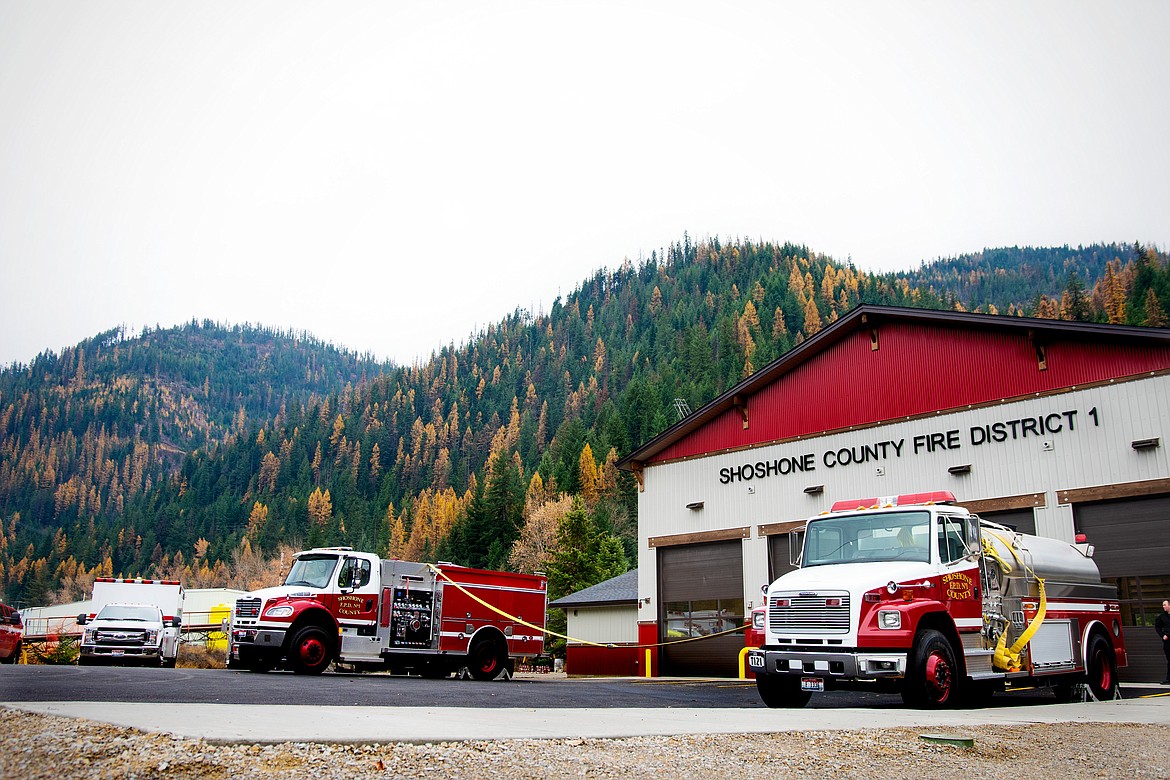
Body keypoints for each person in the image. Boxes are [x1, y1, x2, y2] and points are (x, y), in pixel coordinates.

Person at [1156, 599, 1170, 685]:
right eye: (1163, 605)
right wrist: (1162, 635)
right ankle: (1169, 679)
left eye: (1165, 605)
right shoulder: (1162, 617)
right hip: (1168, 641)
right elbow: (1157, 627)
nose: (1163, 606)